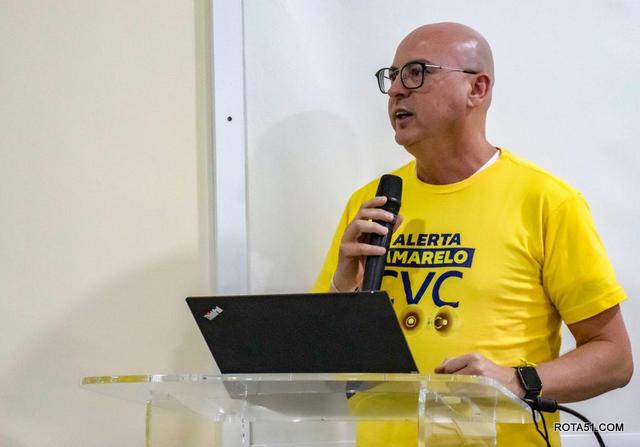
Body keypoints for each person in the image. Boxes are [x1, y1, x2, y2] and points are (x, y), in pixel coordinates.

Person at [312, 22, 633, 446]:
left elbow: (613, 358)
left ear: (476, 89)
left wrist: (518, 380)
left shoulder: (546, 202)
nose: (396, 91)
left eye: (416, 73)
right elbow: (321, 364)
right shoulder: (371, 203)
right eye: (393, 77)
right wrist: (342, 285)